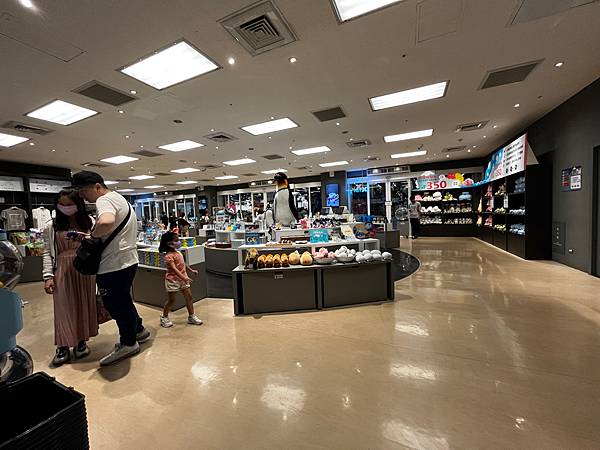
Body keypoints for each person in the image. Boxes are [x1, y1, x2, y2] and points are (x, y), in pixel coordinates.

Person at [72, 170, 150, 367]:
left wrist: (93, 236)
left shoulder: (104, 200)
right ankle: (139, 330)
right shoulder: (120, 199)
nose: (82, 196)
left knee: (116, 305)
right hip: (128, 260)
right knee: (124, 300)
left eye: (83, 190)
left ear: (97, 187)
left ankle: (128, 343)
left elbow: (106, 222)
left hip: (113, 265)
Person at [42, 189, 98, 366]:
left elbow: (98, 244)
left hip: (85, 268)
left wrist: (87, 238)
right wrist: (48, 276)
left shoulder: (89, 222)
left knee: (83, 305)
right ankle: (63, 346)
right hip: (62, 268)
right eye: (62, 204)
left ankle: (81, 341)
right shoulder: (51, 225)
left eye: (69, 204)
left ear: (78, 204)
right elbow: (46, 251)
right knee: (63, 307)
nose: (65, 207)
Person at [158, 231, 203, 328]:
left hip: (183, 279)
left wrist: (191, 270)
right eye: (177, 240)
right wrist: (184, 277)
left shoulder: (178, 252)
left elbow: (183, 263)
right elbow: (174, 269)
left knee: (189, 297)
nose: (179, 242)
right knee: (171, 300)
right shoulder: (168, 256)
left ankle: (191, 316)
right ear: (170, 243)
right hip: (173, 281)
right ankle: (164, 317)